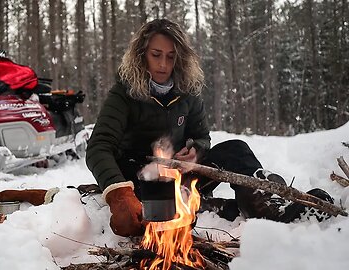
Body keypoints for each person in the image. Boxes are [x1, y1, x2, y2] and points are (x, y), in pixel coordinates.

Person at [85, 19, 333, 237]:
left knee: (236, 149)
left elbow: (201, 137)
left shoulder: (187, 90)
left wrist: (196, 151)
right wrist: (119, 195)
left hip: (179, 175)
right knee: (165, 203)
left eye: (170, 57)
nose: (163, 64)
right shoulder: (124, 92)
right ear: (142, 54)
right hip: (140, 182)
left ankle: (264, 207)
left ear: (179, 58)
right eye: (156, 54)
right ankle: (217, 208)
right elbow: (99, 147)